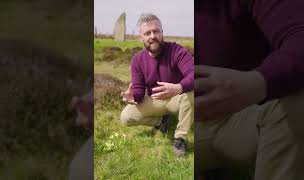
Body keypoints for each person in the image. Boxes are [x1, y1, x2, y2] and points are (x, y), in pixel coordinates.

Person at [195, 0, 304, 179]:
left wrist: (260, 81)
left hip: (248, 115)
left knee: (297, 97)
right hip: (192, 124)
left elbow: (299, 35)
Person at [120, 13, 194, 156]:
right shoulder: (137, 60)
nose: (152, 36)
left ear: (162, 32)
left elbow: (194, 75)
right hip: (155, 101)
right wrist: (133, 96)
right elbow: (140, 93)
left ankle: (180, 139)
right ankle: (161, 122)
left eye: (156, 31)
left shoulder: (177, 51)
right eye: (147, 33)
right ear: (141, 37)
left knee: (191, 91)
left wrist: (178, 87)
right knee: (125, 117)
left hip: (177, 98)